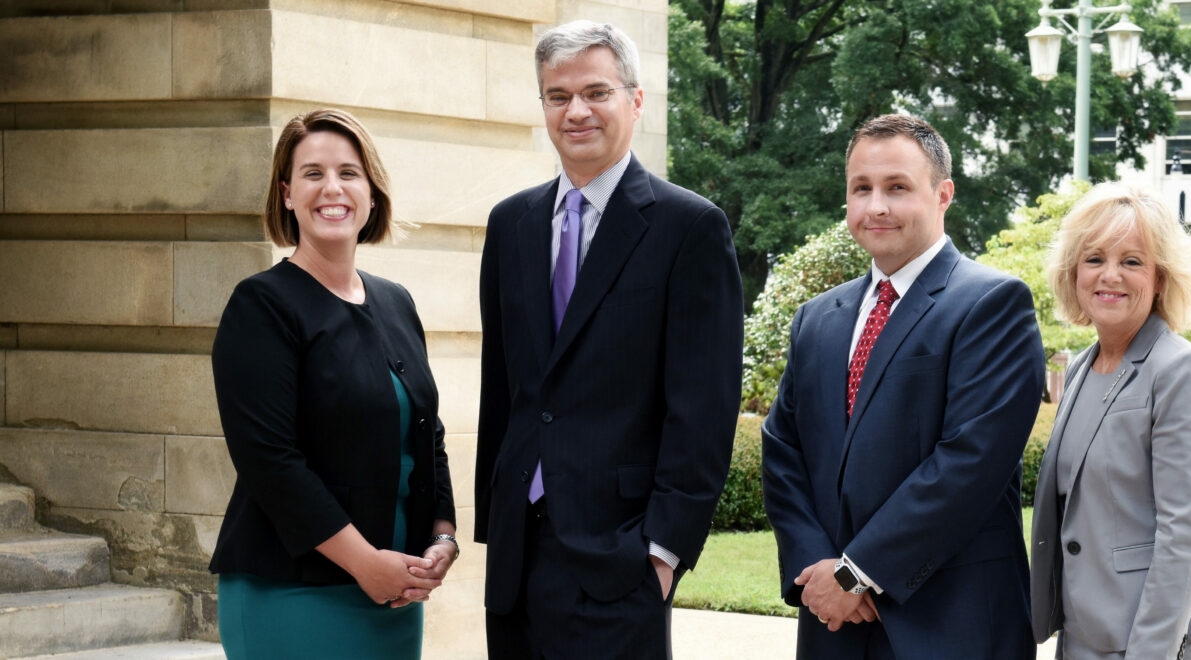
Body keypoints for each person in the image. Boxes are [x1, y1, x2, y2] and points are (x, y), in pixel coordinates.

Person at [474, 20, 743, 659]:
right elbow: (503, 385)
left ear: (635, 99)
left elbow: (703, 409)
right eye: (558, 95)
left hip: (622, 557)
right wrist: (493, 519)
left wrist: (663, 550)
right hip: (517, 557)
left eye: (596, 92)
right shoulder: (510, 223)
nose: (577, 111)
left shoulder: (690, 228)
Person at [762, 114, 1046, 660]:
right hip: (835, 627)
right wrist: (820, 574)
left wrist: (857, 574)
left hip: (951, 624)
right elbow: (782, 452)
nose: (877, 206)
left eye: (897, 187)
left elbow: (969, 463)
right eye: (861, 189)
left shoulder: (992, 304)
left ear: (943, 195)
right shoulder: (816, 318)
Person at [209, 108, 458, 659]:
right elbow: (269, 460)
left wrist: (442, 535)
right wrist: (365, 563)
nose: (332, 188)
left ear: (371, 193)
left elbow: (426, 433)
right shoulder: (262, 305)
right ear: (287, 194)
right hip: (290, 588)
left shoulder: (396, 302)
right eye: (312, 173)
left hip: (393, 592)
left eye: (349, 173)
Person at [1029, 183, 1191, 660]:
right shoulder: (1083, 366)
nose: (1111, 275)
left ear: (1161, 278)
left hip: (1161, 635)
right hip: (1089, 624)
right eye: (1094, 259)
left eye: (1132, 261)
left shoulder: (1182, 371)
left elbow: (1183, 536)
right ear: (1073, 273)